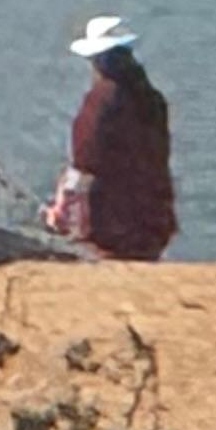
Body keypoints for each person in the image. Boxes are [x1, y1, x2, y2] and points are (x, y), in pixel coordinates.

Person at [51, 16, 176, 263]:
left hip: (111, 214)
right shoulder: (151, 98)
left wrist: (62, 204)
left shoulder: (101, 100)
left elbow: (85, 157)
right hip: (153, 209)